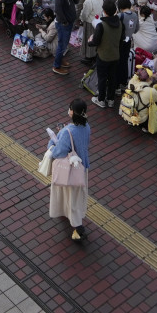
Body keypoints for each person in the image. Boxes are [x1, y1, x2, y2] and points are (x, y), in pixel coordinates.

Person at [46, 97, 92, 241]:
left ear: (74, 112)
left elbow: (58, 152)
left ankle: (78, 229)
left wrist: (52, 143)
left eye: (70, 108)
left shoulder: (68, 131)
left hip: (69, 170)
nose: (69, 110)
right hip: (82, 168)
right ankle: (75, 221)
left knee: (71, 199)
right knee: (77, 197)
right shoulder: (87, 126)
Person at [92, 0, 124, 110]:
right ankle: (111, 99)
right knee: (112, 77)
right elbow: (122, 39)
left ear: (104, 11)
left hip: (103, 56)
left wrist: (90, 41)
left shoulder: (101, 25)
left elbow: (95, 42)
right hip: (115, 56)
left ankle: (101, 99)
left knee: (102, 78)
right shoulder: (120, 23)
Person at [51, 0, 78, 75]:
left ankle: (60, 59)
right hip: (63, 24)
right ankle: (56, 66)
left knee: (64, 44)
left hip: (68, 22)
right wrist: (64, 22)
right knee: (62, 45)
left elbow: (76, 1)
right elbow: (58, 9)